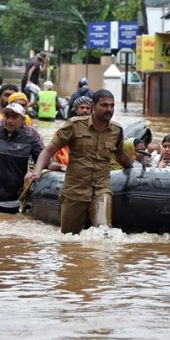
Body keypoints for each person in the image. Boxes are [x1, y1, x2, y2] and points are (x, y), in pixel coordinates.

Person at [25, 89, 132, 234]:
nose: (109, 109)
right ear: (93, 106)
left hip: (101, 188)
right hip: (75, 190)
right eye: (104, 105)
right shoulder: (74, 125)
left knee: (104, 232)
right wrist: (37, 172)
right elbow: (48, 150)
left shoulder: (116, 130)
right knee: (70, 236)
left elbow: (121, 156)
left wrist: (134, 169)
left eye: (111, 106)